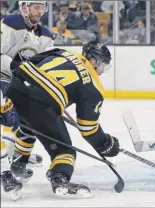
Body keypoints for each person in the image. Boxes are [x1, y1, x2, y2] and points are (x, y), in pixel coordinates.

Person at [2, 40, 120, 198]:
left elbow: (29, 62)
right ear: (93, 61)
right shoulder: (94, 86)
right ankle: (59, 178)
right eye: (102, 65)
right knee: (64, 151)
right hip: (40, 105)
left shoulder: (63, 52)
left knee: (27, 125)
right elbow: (88, 128)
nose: (101, 71)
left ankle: (19, 163)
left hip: (14, 87)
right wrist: (106, 144)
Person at [0, 0, 54, 169]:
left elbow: (47, 64)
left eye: (42, 8)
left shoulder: (46, 35)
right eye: (36, 7)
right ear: (24, 7)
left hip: (21, 82)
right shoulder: (11, 24)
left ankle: (19, 151)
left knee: (31, 117)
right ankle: (5, 160)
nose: (40, 11)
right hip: (3, 76)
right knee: (9, 113)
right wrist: (18, 67)